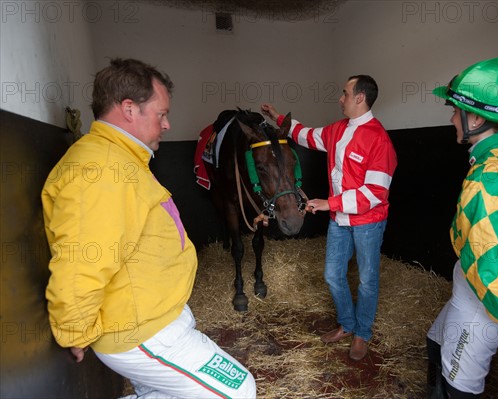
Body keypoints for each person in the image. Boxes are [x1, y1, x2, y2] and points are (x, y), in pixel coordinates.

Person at [42, 58, 256, 399]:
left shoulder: (120, 159)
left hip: (155, 316)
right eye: (161, 114)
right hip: (140, 329)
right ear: (129, 109)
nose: (168, 124)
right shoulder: (102, 170)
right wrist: (74, 330)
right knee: (238, 391)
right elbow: (82, 261)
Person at [261, 75, 397, 361]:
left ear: (360, 98)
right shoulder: (337, 130)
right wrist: (279, 119)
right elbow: (305, 134)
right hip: (339, 220)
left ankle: (362, 334)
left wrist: (329, 203)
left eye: (345, 93)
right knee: (333, 275)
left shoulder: (379, 140)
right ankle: (347, 325)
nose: (341, 98)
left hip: (367, 223)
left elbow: (375, 193)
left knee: (367, 281)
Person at [426, 58, 498, 398]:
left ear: (475, 117)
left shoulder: (492, 174)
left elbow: (491, 261)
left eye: (454, 109)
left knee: (458, 383)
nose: (450, 118)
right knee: (434, 342)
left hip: (482, 303)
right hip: (469, 289)